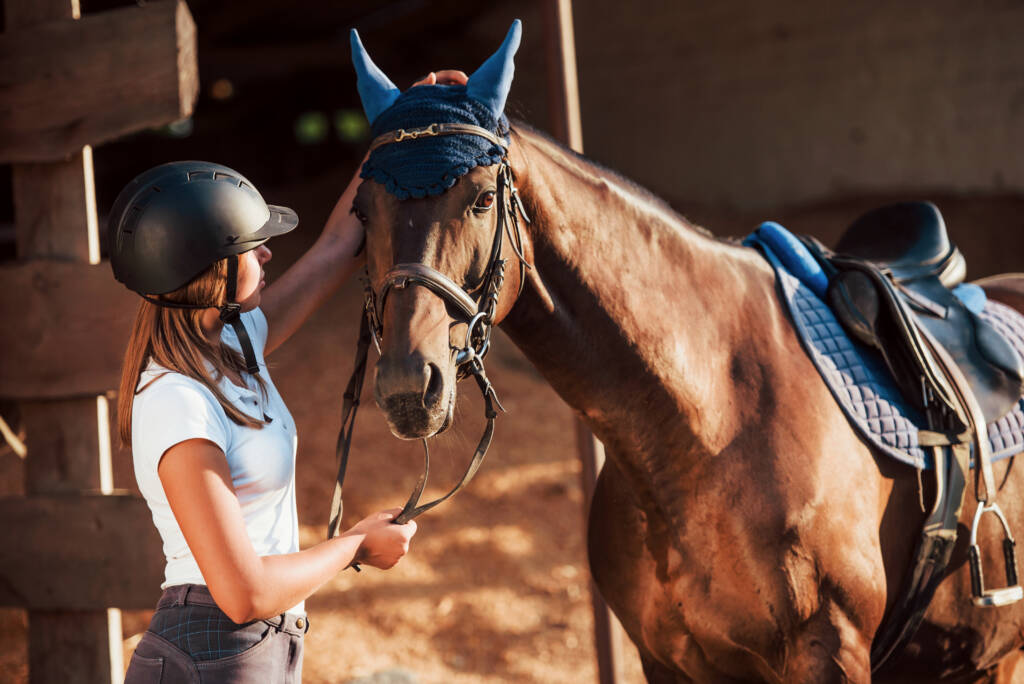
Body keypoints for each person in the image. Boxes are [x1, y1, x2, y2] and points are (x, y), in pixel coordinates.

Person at [115, 69, 468, 683]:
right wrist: (355, 545)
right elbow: (243, 592)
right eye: (252, 247)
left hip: (250, 648)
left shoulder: (230, 345)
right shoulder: (176, 401)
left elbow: (337, 246)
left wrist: (401, 127)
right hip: (213, 651)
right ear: (208, 272)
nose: (269, 253)